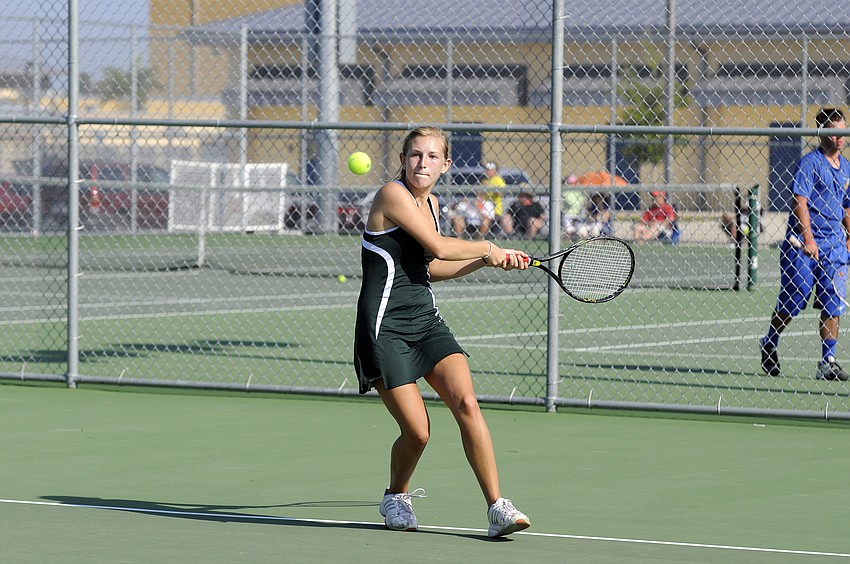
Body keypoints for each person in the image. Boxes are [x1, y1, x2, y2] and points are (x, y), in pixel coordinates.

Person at [353, 125, 532, 537]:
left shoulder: (430, 202)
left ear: (446, 165)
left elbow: (431, 268)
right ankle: (396, 495)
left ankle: (497, 507)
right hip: (384, 327)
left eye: (432, 157)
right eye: (415, 155)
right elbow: (438, 247)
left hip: (425, 320)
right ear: (402, 159)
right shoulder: (391, 195)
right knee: (418, 431)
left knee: (467, 403)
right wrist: (489, 249)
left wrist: (485, 262)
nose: (422, 163)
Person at [760, 108, 850, 381]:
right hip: (802, 246)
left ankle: (827, 361)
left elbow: (847, 206)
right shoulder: (810, 163)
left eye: (843, 131)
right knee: (794, 298)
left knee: (832, 303)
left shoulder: (846, 167)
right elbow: (800, 201)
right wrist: (808, 239)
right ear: (822, 132)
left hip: (834, 247)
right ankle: (769, 341)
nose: (840, 138)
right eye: (834, 132)